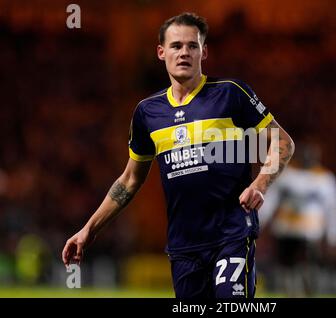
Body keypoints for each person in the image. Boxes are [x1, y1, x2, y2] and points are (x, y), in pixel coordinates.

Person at [62, 12, 294, 298]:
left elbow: (282, 141)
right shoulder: (147, 113)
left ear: (203, 51)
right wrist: (89, 230)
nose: (184, 52)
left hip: (231, 234)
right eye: (176, 46)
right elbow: (129, 181)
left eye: (192, 46)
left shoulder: (231, 94)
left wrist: (260, 184)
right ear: (161, 52)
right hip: (184, 246)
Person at [258, 142, 336, 296]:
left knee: (309, 266)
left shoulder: (324, 178)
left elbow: (333, 209)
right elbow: (270, 201)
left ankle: (308, 290)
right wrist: (258, 223)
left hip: (310, 232)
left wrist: (334, 236)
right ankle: (290, 291)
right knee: (286, 266)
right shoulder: (286, 175)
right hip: (286, 230)